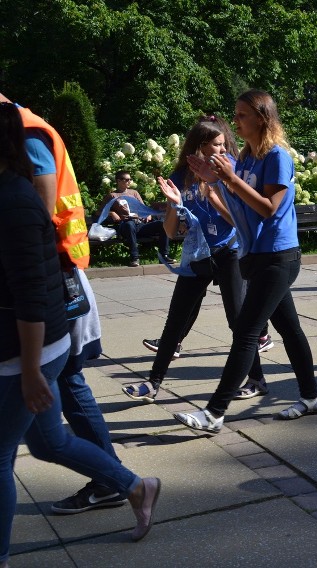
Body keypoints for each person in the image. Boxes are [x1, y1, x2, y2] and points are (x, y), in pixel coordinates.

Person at [0, 104, 161, 566]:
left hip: (45, 313)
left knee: (17, 437)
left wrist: (30, 367)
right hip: (37, 321)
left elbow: (37, 236)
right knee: (48, 440)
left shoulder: (23, 156)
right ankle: (133, 486)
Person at [0, 93, 128, 515]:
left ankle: (115, 480)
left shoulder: (27, 132)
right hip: (51, 276)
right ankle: (120, 481)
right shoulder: (23, 125)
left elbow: (34, 210)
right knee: (50, 428)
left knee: (68, 381)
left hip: (54, 279)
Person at [173, 89, 317, 432]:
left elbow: (269, 208)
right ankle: (312, 397)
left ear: (261, 118)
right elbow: (238, 203)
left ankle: (214, 413)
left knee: (245, 332)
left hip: (279, 256)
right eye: (236, 115)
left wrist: (229, 178)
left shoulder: (276, 158)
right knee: (289, 328)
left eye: (241, 116)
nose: (235, 122)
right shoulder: (251, 159)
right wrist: (216, 180)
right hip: (256, 255)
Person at [122, 116, 270, 404]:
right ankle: (153, 384)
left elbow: (240, 222)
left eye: (225, 143)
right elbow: (170, 231)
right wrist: (175, 206)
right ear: (200, 147)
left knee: (238, 320)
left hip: (229, 250)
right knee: (176, 319)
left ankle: (257, 379)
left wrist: (215, 196)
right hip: (198, 254)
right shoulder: (180, 178)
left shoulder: (230, 173)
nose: (224, 148)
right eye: (216, 144)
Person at [100, 171, 171, 267]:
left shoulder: (134, 193)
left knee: (162, 224)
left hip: (140, 225)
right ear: (118, 181)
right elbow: (99, 212)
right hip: (125, 225)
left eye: (130, 179)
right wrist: (111, 212)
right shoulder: (112, 195)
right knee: (130, 224)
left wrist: (147, 214)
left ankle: (164, 256)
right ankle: (135, 258)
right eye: (127, 180)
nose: (129, 182)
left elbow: (143, 208)